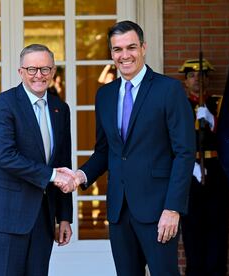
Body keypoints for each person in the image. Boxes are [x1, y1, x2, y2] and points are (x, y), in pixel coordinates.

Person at [67, 20, 196, 276]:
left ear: (144, 48)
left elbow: (184, 152)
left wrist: (173, 208)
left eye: (131, 47)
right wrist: (81, 176)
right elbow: (105, 151)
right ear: (111, 53)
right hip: (119, 210)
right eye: (117, 50)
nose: (125, 55)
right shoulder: (105, 96)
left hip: (159, 210)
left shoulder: (168, 90)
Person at [0, 44, 77, 276]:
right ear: (21, 72)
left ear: (53, 72)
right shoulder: (4, 103)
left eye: (45, 69)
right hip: (6, 214)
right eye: (32, 69)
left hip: (43, 217)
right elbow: (5, 156)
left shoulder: (60, 109)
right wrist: (52, 176)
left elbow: (62, 161)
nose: (38, 75)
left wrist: (64, 217)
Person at [178, 59, 229, 276]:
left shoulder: (219, 104)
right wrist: (190, 165)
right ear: (185, 81)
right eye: (192, 76)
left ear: (208, 79)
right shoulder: (179, 105)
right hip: (189, 174)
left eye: (202, 75)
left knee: (217, 230)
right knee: (192, 232)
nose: (197, 80)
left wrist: (212, 119)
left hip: (216, 172)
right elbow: (170, 140)